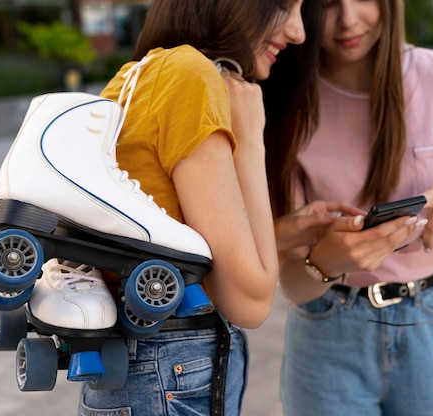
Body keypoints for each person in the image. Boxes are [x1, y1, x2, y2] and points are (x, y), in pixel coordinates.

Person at [261, 0, 433, 415]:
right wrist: (326, 261)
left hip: (432, 323)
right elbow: (293, 282)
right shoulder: (289, 100)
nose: (347, 20)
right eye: (326, 4)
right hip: (327, 331)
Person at [77, 0, 307, 414]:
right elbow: (250, 301)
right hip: (167, 375)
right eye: (285, 6)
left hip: (140, 371)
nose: (298, 31)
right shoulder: (190, 77)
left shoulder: (135, 76)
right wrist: (252, 138)